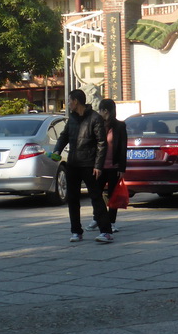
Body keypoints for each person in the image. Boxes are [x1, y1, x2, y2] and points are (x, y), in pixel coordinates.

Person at [53, 89, 113, 243]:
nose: (68, 104)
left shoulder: (95, 118)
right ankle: (76, 231)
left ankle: (105, 231)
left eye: (69, 100)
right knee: (72, 199)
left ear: (76, 102)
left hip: (89, 164)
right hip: (73, 163)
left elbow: (102, 143)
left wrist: (98, 165)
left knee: (96, 198)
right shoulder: (71, 119)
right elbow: (64, 136)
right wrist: (56, 150)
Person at [87, 98, 128, 233]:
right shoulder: (97, 125)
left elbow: (123, 148)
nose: (99, 113)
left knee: (113, 196)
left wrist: (122, 168)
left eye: (101, 110)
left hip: (114, 167)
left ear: (106, 111)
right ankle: (97, 218)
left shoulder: (120, 126)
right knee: (96, 194)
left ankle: (111, 222)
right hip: (99, 167)